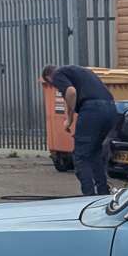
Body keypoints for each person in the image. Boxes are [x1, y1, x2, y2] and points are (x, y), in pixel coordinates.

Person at [42, 64, 118, 196]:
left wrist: (70, 118)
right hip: (111, 109)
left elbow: (71, 92)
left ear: (49, 78)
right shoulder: (81, 71)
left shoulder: (57, 75)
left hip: (93, 110)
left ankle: (88, 197)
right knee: (95, 153)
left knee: (80, 157)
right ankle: (103, 193)